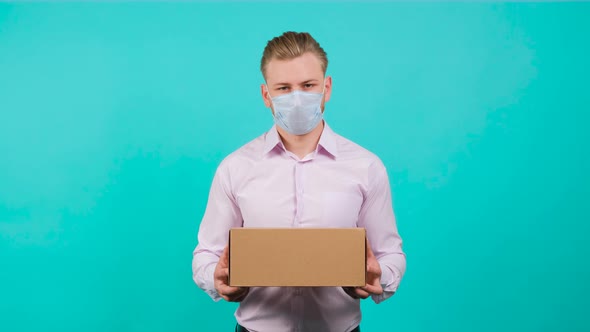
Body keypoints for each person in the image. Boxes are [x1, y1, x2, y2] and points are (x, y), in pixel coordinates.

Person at [192, 31, 406, 332]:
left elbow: (390, 254)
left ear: (326, 87)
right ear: (266, 95)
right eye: (283, 88)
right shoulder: (235, 168)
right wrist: (216, 279)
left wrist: (378, 277)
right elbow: (207, 253)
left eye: (308, 86)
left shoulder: (366, 167)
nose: (296, 98)